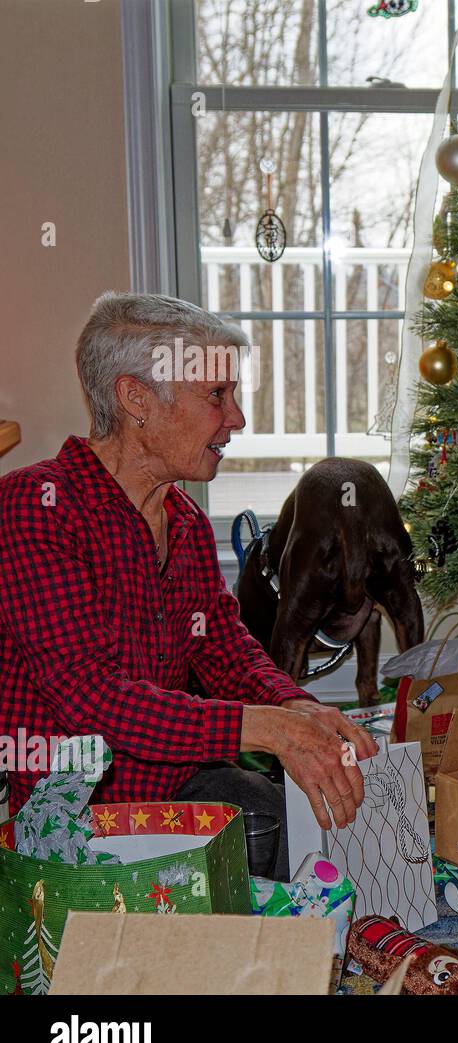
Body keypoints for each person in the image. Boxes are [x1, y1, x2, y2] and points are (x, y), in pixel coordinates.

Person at [0, 293, 380, 880]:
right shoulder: (36, 506)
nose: (237, 419)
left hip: (174, 787)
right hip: (75, 818)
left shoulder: (185, 519)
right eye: (216, 396)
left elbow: (223, 648)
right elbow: (90, 699)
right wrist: (267, 728)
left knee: (282, 815)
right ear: (136, 400)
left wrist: (295, 705)